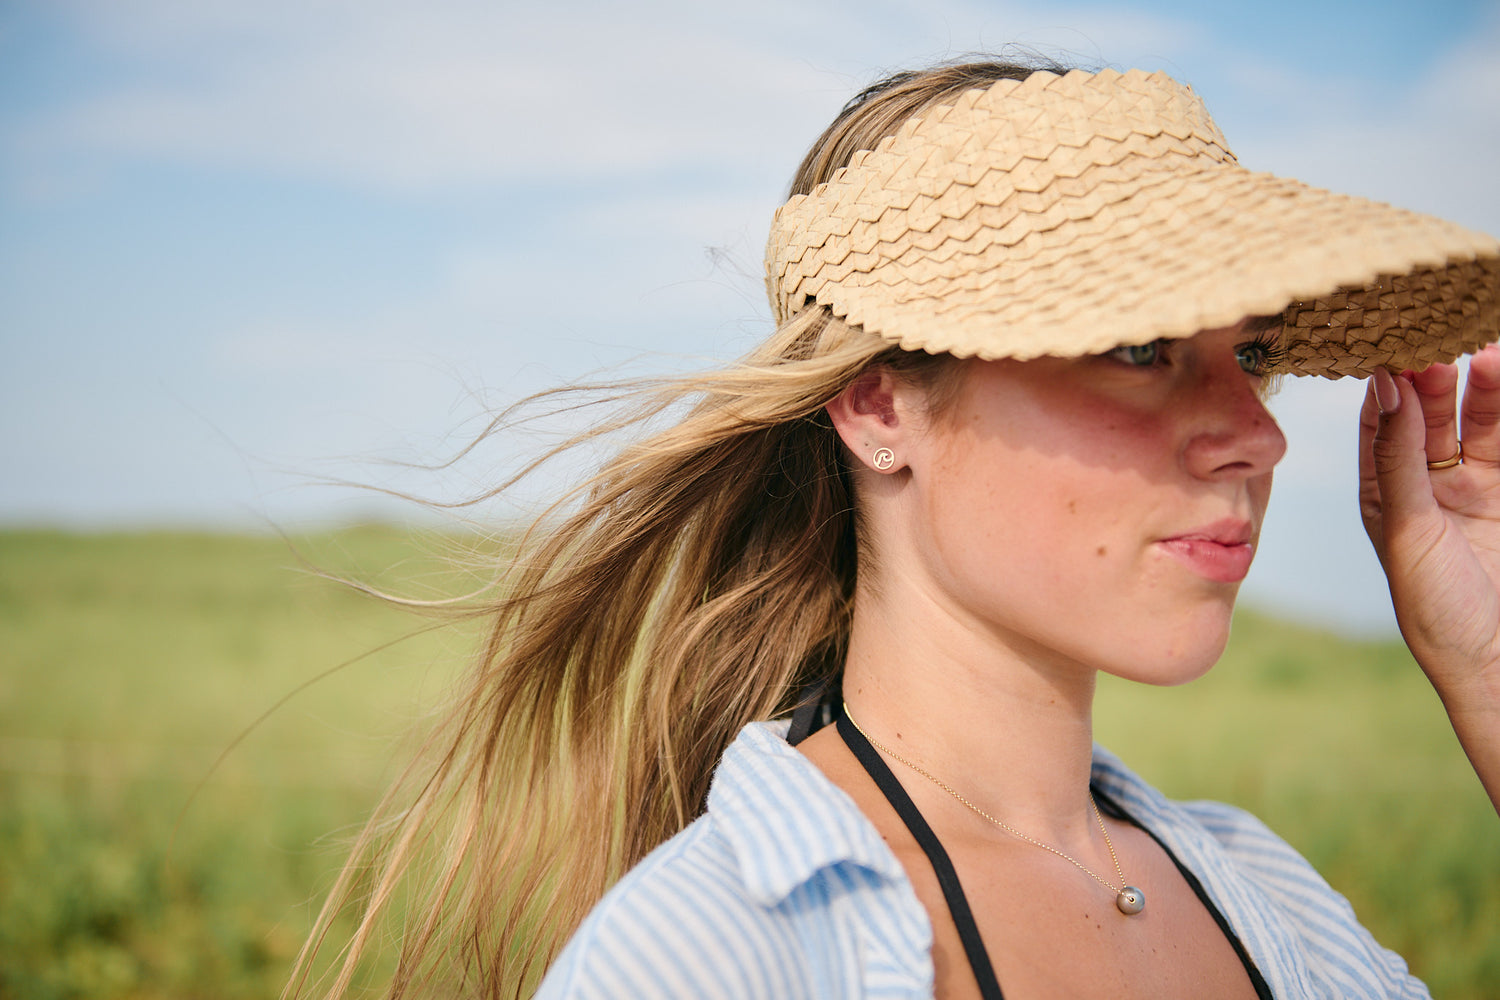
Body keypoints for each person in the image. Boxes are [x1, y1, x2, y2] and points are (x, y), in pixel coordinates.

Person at [291, 59, 1500, 999]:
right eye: (1140, 349)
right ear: (877, 402)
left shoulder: (1268, 898)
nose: (1256, 433)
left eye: (1253, 356)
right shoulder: (713, 954)